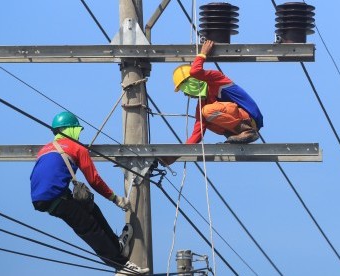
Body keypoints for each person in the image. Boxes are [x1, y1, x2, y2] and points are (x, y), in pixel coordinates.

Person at [30, 111, 149, 275]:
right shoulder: (77, 148)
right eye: (77, 131)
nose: (79, 135)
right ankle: (122, 265)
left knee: (91, 209)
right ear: (71, 129)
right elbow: (94, 180)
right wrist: (115, 199)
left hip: (41, 197)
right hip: (56, 197)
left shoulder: (44, 149)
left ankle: (117, 246)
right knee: (89, 227)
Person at [165, 40, 264, 165]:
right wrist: (174, 156)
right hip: (237, 127)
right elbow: (197, 135)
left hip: (249, 119)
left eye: (184, 88)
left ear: (192, 81)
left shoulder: (216, 79)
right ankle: (238, 135)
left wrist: (202, 54)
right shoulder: (203, 102)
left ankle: (248, 131)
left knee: (207, 112)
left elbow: (195, 72)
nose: (186, 94)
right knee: (204, 119)